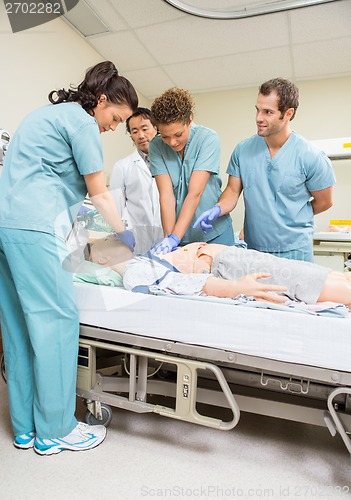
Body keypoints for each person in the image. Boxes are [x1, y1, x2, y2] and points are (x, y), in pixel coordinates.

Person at [0, 61, 138, 455]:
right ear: (102, 100)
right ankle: (56, 429)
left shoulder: (45, 116)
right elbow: (100, 194)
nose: (113, 127)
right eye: (115, 117)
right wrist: (125, 234)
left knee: (19, 329)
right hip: (37, 228)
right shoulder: (81, 123)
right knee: (57, 323)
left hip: (7, 227)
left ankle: (25, 428)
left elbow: (63, 194)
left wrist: (80, 250)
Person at [194, 78, 336, 262]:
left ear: (288, 114)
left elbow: (325, 202)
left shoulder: (311, 156)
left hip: (295, 250)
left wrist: (290, 218)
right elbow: (232, 191)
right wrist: (216, 210)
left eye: (268, 112)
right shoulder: (243, 150)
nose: (258, 118)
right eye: (257, 110)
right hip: (255, 249)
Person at [89, 239, 351, 308]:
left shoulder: (140, 261)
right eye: (107, 240)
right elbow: (184, 283)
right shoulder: (134, 272)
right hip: (227, 267)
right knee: (310, 282)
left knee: (315, 275)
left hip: (229, 258)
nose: (115, 236)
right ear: (100, 258)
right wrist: (236, 288)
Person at [148, 87, 234, 255]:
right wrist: (169, 237)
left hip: (214, 232)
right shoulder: (156, 146)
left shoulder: (207, 139)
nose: (172, 142)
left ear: (189, 120)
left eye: (178, 134)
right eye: (165, 136)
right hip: (182, 236)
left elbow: (195, 192)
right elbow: (166, 195)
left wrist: (175, 237)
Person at [109, 107, 163, 253]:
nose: (140, 135)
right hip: (136, 239)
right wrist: (121, 233)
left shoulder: (170, 162)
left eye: (145, 129)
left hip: (166, 237)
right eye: (134, 131)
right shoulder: (122, 167)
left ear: (156, 128)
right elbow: (115, 207)